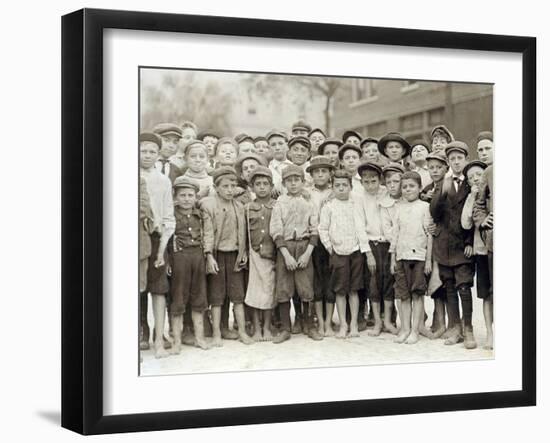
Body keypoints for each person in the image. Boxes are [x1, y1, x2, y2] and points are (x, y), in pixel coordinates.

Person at [430, 141, 476, 349]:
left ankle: (468, 329)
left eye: (460, 158)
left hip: (462, 244)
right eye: (453, 159)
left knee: (464, 287)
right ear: (448, 162)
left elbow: (473, 216)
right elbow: (435, 213)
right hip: (444, 245)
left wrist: (469, 241)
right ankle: (455, 328)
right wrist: (442, 192)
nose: (456, 162)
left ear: (465, 160)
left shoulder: (471, 183)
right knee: (449, 287)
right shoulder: (443, 184)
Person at [200, 166, 253, 346]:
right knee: (216, 298)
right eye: (225, 186)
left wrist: (243, 252)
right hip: (217, 256)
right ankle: (216, 333)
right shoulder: (209, 205)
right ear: (216, 187)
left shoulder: (239, 206)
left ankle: (242, 333)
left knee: (237, 296)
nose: (230, 190)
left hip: (234, 256)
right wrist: (209, 256)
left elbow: (243, 233)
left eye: (233, 186)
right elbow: (207, 232)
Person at [270, 164, 320, 343]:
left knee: (306, 287)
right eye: (289, 181)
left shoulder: (309, 202)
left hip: (305, 247)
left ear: (303, 182)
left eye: (296, 180)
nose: (293, 184)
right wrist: (286, 255)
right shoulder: (279, 203)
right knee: (283, 287)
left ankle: (309, 324)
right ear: (283, 183)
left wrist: (307, 253)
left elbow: (315, 229)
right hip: (286, 248)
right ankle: (285, 328)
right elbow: (276, 230)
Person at [319, 170, 370, 338]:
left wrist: (362, 248)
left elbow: (361, 227)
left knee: (354, 290)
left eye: (344, 185)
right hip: (338, 253)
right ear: (332, 187)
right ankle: (343, 325)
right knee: (340, 291)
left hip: (355, 252)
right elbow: (323, 229)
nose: (341, 189)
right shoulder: (329, 207)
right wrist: (330, 248)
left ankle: (354, 324)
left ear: (351, 186)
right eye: (337, 186)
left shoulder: (356, 205)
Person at [139, 132, 176, 358]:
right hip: (134, 237)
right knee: (137, 287)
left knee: (159, 289)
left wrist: (162, 248)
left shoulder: (163, 180)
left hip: (156, 239)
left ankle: (159, 336)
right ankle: (140, 330)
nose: (147, 155)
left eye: (152, 151)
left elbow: (169, 217)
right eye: (143, 150)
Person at [390, 171, 433, 344]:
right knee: (403, 296)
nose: (408, 190)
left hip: (420, 257)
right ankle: (405, 328)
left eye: (412, 186)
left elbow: (429, 235)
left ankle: (415, 330)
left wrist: (429, 259)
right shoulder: (398, 208)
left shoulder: (424, 207)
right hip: (401, 256)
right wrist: (393, 258)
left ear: (420, 188)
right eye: (405, 187)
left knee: (417, 294)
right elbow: (395, 234)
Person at [169, 177, 210, 353]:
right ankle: (176, 341)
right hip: (180, 257)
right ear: (176, 197)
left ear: (196, 197)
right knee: (178, 297)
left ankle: (199, 337)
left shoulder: (199, 215)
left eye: (190, 195)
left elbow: (207, 235)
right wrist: (169, 261)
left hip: (197, 256)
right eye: (182, 195)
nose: (186, 199)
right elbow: (168, 239)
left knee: (199, 296)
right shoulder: (171, 214)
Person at [356, 162, 393, 336]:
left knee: (389, 283)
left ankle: (388, 321)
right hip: (371, 245)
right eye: (366, 181)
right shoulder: (359, 198)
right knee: (374, 284)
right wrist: (368, 253)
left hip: (388, 244)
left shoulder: (387, 193)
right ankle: (377, 321)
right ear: (361, 182)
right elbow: (359, 226)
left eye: (374, 181)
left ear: (380, 180)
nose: (370, 185)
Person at [244, 166, 278, 341]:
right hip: (254, 255)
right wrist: (244, 253)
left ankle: (267, 327)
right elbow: (244, 233)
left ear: (272, 186)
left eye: (266, 184)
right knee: (254, 292)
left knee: (269, 292)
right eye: (258, 184)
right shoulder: (248, 207)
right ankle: (256, 328)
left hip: (272, 254)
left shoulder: (277, 205)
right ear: (251, 187)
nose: (262, 187)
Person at [461, 160, 492, 350]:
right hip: (481, 250)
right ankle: (490, 334)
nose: (475, 179)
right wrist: (472, 198)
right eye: (471, 177)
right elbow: (465, 223)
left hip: (495, 247)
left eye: (478, 175)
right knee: (487, 294)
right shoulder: (473, 198)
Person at [421, 152, 450, 339]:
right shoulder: (428, 188)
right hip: (433, 242)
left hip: (447, 239)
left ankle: (450, 322)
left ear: (446, 168)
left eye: (439, 167)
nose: (435, 171)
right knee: (436, 283)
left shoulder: (450, 186)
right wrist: (426, 197)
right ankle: (438, 321)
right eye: (431, 167)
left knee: (448, 283)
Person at [306, 156, 336, 337]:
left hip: (332, 242)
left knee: (330, 281)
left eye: (324, 171)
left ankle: (329, 321)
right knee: (316, 281)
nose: (320, 175)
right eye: (316, 172)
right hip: (313, 241)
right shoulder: (307, 193)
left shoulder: (336, 191)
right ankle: (319, 320)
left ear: (330, 173)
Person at [380, 162, 406, 333]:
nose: (392, 185)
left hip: (410, 248)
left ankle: (413, 319)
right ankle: (389, 319)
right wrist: (400, 239)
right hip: (390, 248)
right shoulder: (385, 205)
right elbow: (387, 230)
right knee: (390, 284)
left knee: (410, 283)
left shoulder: (408, 200)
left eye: (396, 181)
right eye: (388, 182)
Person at [267, 130, 293, 197]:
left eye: (280, 144)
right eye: (273, 145)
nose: (277, 148)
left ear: (287, 146)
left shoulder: (294, 166)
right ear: (269, 148)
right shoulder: (267, 169)